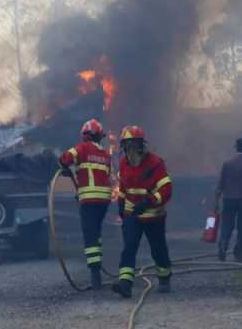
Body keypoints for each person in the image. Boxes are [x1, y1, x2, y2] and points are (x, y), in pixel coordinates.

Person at [112, 125, 173, 298]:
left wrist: (149, 201)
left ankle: (164, 277)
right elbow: (124, 186)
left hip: (154, 216)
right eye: (127, 145)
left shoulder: (155, 163)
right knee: (129, 248)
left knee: (158, 249)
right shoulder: (123, 163)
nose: (130, 149)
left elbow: (166, 189)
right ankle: (125, 283)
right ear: (123, 147)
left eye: (134, 145)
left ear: (141, 145)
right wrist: (121, 206)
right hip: (133, 216)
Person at [59, 119, 112, 289]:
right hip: (103, 201)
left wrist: (65, 166)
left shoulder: (82, 148)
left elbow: (65, 158)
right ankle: (98, 267)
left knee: (90, 237)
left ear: (86, 136)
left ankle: (95, 275)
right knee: (96, 234)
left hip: (89, 201)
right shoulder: (105, 154)